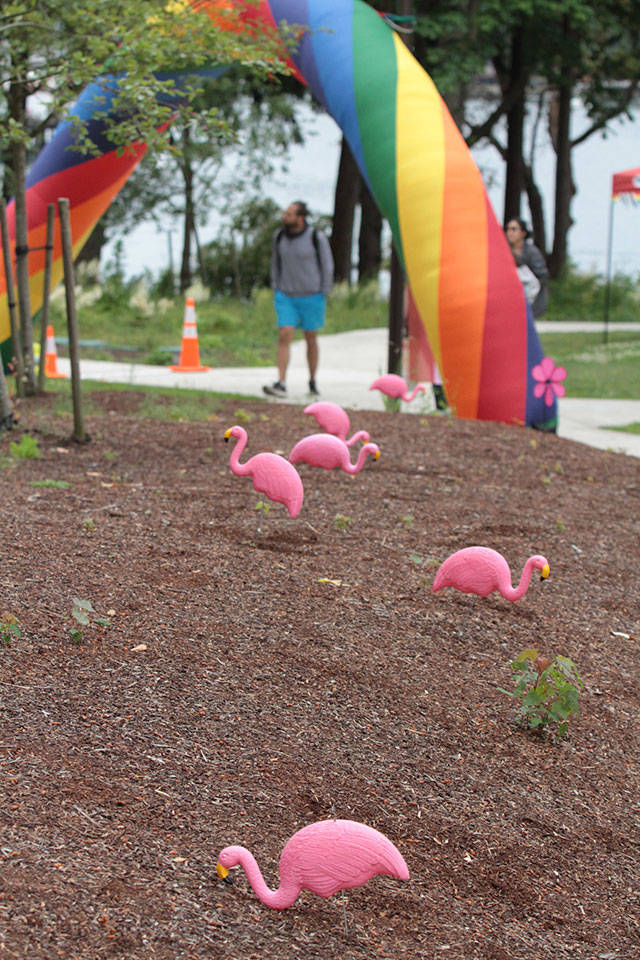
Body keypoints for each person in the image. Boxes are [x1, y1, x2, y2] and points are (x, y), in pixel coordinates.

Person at [263, 201, 334, 398]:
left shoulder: (315, 237)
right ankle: (281, 382)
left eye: (289, 214)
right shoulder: (279, 237)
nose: (284, 217)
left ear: (300, 218)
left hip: (312, 295)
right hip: (286, 295)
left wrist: (324, 291)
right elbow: (275, 263)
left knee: (310, 337)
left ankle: (312, 380)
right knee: (285, 333)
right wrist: (276, 286)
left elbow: (327, 265)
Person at [505, 218, 548, 318]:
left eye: (514, 229)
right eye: (508, 229)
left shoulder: (532, 253)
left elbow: (542, 276)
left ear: (523, 233)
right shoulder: (504, 251)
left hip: (531, 299)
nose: (510, 232)